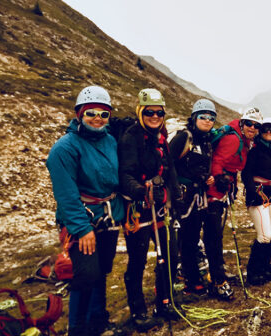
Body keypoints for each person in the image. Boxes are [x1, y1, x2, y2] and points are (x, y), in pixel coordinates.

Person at [46, 86, 125, 336]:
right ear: (79, 114)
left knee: (102, 270)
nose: (98, 119)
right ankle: (78, 330)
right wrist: (82, 229)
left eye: (104, 114)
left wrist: (125, 214)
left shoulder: (110, 140)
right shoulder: (65, 149)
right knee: (85, 275)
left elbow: (115, 183)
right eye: (91, 113)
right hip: (84, 220)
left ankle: (98, 321)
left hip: (109, 216)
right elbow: (66, 195)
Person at [119, 88, 182, 326]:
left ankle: (165, 301)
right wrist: (142, 191)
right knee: (137, 261)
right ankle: (138, 311)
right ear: (140, 112)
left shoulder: (161, 138)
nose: (155, 116)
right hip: (137, 209)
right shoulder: (130, 138)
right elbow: (125, 174)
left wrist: (176, 196)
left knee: (169, 255)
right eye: (149, 112)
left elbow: (170, 169)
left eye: (159, 112)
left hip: (160, 208)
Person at [205, 107, 262, 299]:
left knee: (216, 234)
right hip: (214, 192)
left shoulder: (243, 140)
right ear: (242, 123)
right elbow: (218, 160)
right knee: (213, 235)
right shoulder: (234, 139)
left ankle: (216, 273)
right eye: (249, 124)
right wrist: (220, 180)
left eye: (256, 126)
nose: (252, 128)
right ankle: (217, 280)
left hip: (223, 187)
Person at [168, 99, 216, 297]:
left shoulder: (205, 141)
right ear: (194, 117)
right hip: (182, 196)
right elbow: (167, 163)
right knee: (179, 240)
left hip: (197, 195)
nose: (207, 120)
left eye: (211, 117)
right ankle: (178, 282)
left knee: (192, 238)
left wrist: (207, 178)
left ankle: (192, 279)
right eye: (203, 117)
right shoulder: (184, 137)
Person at [241, 118, 271, 285]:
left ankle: (265, 268)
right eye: (265, 129)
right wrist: (253, 192)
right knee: (264, 235)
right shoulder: (255, 151)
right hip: (258, 194)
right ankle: (253, 271)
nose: (269, 133)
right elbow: (246, 174)